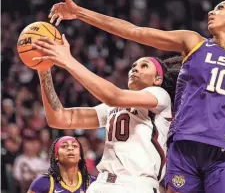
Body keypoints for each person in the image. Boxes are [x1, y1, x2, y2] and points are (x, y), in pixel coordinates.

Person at [48, 0, 225, 192]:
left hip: (222, 154)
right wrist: (80, 13)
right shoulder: (193, 42)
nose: (211, 12)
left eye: (220, 8)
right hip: (182, 151)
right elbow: (134, 31)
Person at [31, 33, 181, 192]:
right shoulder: (113, 106)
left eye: (144, 66)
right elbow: (59, 118)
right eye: (133, 66)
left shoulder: (160, 96)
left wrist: (68, 60)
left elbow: (113, 96)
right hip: (101, 183)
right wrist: (44, 71)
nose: (135, 68)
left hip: (135, 184)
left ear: (158, 79)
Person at [27, 136, 96, 193]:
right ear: (56, 156)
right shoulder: (42, 182)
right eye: (64, 146)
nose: (70, 148)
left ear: (80, 155)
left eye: (74, 146)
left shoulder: (92, 183)